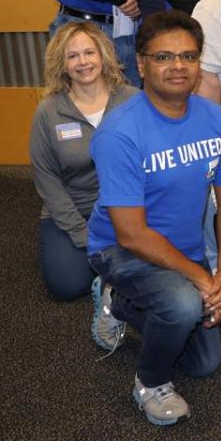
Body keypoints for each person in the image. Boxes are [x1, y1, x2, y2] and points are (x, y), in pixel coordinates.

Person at [86, 10, 221, 426]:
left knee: (203, 362)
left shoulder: (216, 119)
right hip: (120, 249)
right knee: (182, 304)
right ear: (141, 64)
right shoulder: (120, 133)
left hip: (183, 250)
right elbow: (132, 234)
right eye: (164, 57)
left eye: (189, 57)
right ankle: (149, 382)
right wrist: (201, 278)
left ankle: (119, 303)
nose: (178, 66)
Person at [29, 22, 137, 301]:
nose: (83, 62)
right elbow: (47, 180)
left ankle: (110, 264)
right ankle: (106, 260)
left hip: (126, 206)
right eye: (72, 56)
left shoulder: (133, 100)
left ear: (103, 56)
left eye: (89, 52)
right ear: (62, 64)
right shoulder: (48, 111)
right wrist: (83, 233)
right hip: (72, 209)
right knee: (68, 286)